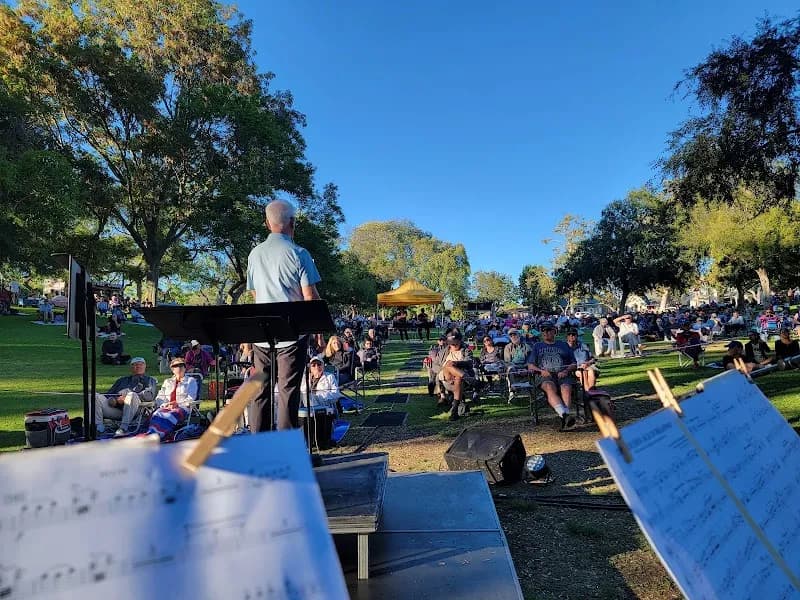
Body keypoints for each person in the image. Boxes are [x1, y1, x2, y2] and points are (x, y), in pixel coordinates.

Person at [246, 199, 322, 432]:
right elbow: (309, 297)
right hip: (291, 333)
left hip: (262, 333)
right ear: (292, 222)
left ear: (267, 223)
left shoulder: (254, 254)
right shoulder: (299, 253)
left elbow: (255, 294)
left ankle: (260, 448)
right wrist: (318, 330)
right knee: (288, 392)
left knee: (261, 391)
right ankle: (285, 454)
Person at [527, 322, 578, 430]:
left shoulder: (563, 345)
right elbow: (530, 365)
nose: (546, 332)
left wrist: (566, 370)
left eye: (548, 330)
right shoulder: (537, 346)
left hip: (562, 374)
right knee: (549, 387)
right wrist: (541, 371)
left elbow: (574, 363)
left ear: (554, 331)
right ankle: (565, 415)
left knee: (566, 387)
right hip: (545, 376)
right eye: (543, 330)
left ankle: (565, 417)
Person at [95, 357, 158, 434]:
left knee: (132, 395)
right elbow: (109, 394)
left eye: (141, 364)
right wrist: (114, 399)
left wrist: (126, 398)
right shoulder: (122, 380)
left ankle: (123, 428)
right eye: (135, 365)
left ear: (145, 366)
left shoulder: (150, 380)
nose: (138, 366)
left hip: (136, 411)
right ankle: (98, 427)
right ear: (131, 368)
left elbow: (149, 395)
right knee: (95, 396)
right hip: (117, 410)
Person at [146, 357, 198, 439]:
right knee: (157, 414)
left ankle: (160, 434)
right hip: (167, 406)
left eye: (182, 365)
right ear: (172, 369)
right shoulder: (167, 381)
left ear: (185, 368)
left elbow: (191, 398)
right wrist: (165, 405)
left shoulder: (191, 381)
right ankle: (152, 433)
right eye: (176, 365)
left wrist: (177, 404)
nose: (179, 367)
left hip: (182, 408)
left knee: (168, 415)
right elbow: (160, 397)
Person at [437, 332, 474, 420]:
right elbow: (437, 365)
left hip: (460, 379)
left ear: (460, 341)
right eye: (451, 343)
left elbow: (469, 363)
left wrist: (457, 363)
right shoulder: (443, 352)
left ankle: (454, 411)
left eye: (455, 343)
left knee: (458, 378)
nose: (453, 345)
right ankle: (473, 381)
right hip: (446, 379)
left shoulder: (466, 351)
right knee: (449, 364)